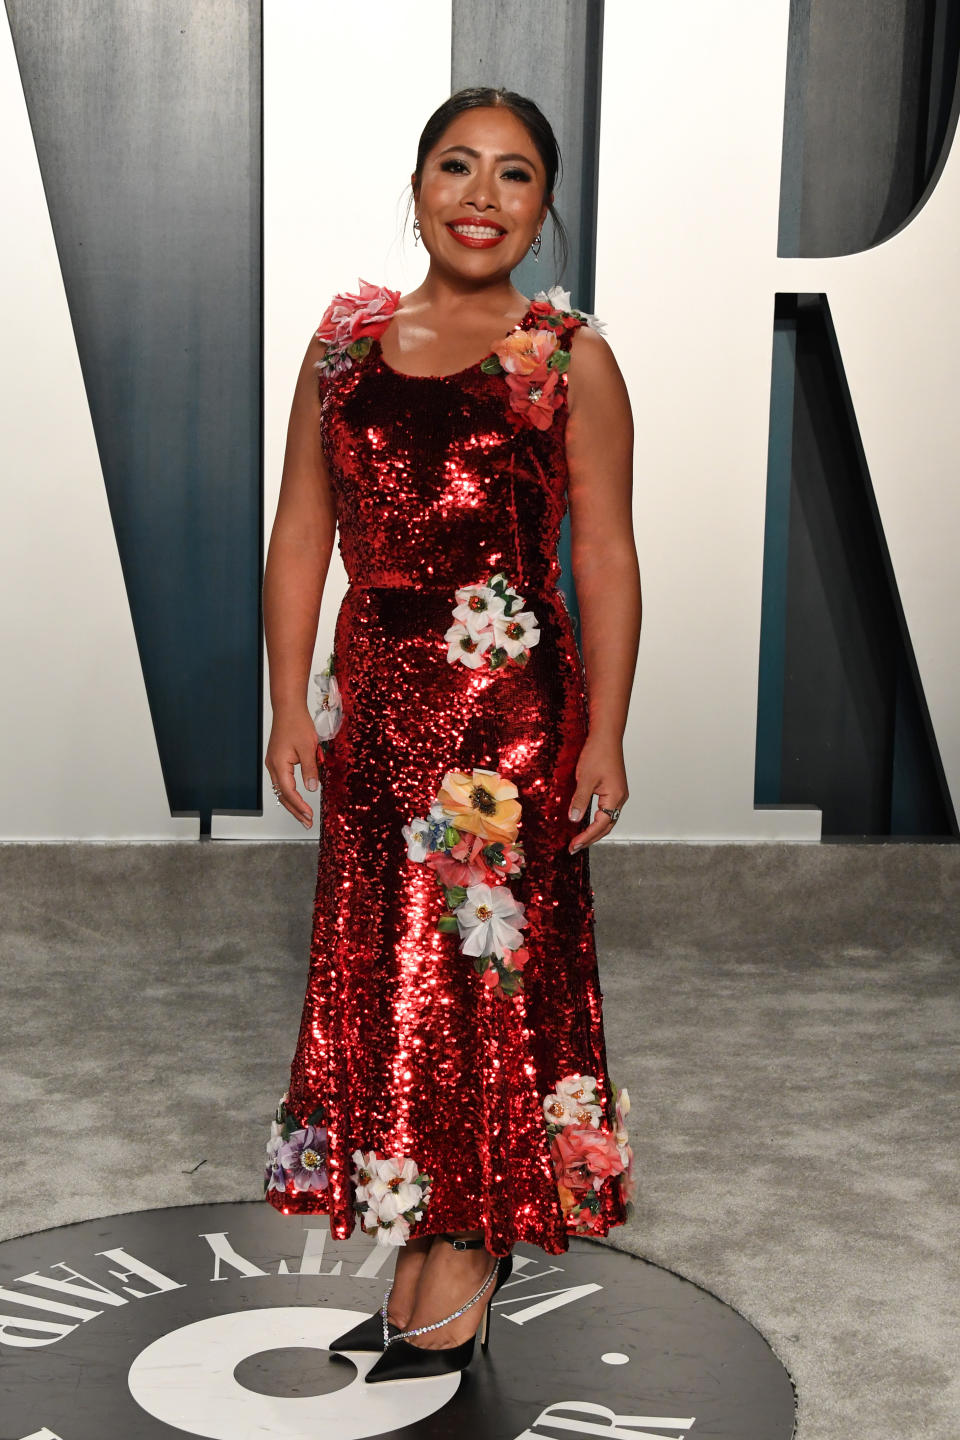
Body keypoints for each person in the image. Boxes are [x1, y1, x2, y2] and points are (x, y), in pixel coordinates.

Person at [260, 85, 642, 1384]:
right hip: (377, 724)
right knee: (395, 983)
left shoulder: (562, 351)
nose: (482, 196)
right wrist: (287, 704)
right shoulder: (344, 341)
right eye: (458, 167)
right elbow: (301, 533)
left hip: (508, 736)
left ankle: (477, 1239)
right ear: (416, 184)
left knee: (487, 988)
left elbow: (605, 550)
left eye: (516, 175)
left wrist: (607, 736)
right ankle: (423, 1223)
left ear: (543, 209)